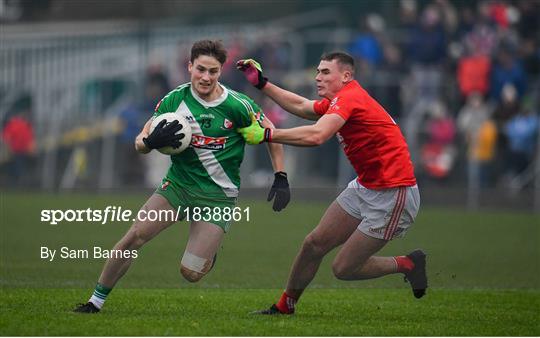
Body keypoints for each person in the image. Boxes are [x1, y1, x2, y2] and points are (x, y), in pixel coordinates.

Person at [73, 40, 290, 313]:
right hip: (177, 187)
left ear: (220, 71)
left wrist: (280, 175)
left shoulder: (238, 105)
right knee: (134, 237)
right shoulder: (174, 100)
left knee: (190, 273)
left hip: (217, 197)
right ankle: (95, 301)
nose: (206, 77)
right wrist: (150, 142)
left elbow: (272, 133)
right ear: (189, 67)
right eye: (200, 69)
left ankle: (208, 255)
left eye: (213, 71)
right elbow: (140, 140)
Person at [235, 52, 426, 315]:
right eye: (317, 71)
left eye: (325, 72)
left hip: (394, 193)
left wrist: (268, 134)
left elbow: (317, 136)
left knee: (343, 269)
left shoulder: (350, 98)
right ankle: (284, 306)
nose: (317, 77)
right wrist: (262, 84)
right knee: (313, 244)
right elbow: (302, 107)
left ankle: (407, 264)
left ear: (346, 76)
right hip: (366, 186)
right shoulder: (339, 100)